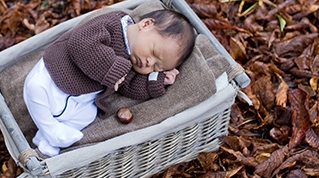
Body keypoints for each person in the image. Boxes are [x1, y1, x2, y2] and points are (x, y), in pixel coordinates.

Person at [23, 9, 196, 156]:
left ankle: (45, 139)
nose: (149, 63)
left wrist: (157, 80)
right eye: (153, 52)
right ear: (146, 24)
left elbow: (131, 87)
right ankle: (51, 130)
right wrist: (112, 67)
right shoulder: (114, 24)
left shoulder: (132, 63)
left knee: (89, 114)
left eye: (157, 66)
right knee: (35, 89)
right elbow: (81, 43)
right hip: (54, 74)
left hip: (77, 99)